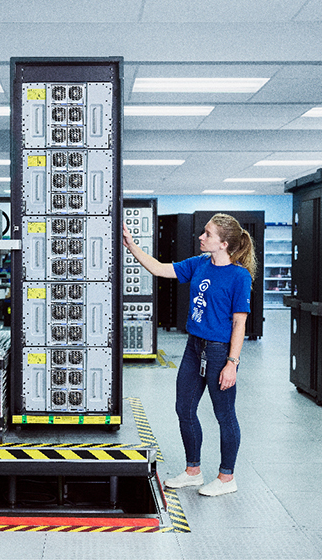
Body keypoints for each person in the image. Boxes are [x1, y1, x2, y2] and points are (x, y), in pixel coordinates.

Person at [122, 213, 255, 497]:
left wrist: (232, 363)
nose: (201, 237)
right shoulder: (198, 264)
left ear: (224, 244)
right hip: (194, 346)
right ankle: (193, 471)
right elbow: (158, 269)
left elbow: (239, 323)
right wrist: (132, 246)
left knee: (224, 415)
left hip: (220, 351)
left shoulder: (239, 276)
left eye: (208, 234)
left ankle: (226, 477)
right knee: (184, 408)